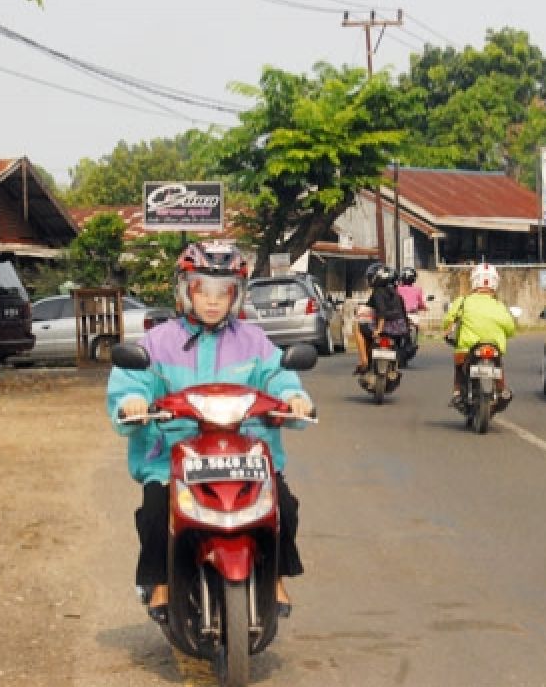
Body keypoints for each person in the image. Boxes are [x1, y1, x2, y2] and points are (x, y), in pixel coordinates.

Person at [106, 240, 314, 624]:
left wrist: (293, 397)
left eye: (224, 292)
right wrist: (133, 401)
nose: (213, 301)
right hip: (172, 457)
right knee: (156, 511)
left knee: (283, 505)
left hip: (244, 456)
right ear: (186, 290)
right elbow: (132, 379)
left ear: (237, 296)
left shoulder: (253, 340)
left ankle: (276, 578)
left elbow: (278, 375)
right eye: (203, 290)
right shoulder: (158, 341)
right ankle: (160, 584)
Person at [441, 263, 517, 410]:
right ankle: (502, 391)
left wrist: (446, 329)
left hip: (466, 348)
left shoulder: (463, 302)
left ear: (474, 281)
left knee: (459, 368)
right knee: (498, 366)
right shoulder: (499, 306)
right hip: (494, 348)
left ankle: (457, 393)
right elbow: (511, 329)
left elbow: (448, 320)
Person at [353, 264, 408, 374]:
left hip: (385, 328)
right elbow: (403, 313)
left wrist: (378, 330)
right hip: (400, 329)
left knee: (357, 327)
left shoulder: (378, 292)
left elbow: (381, 312)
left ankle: (364, 361)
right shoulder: (397, 294)